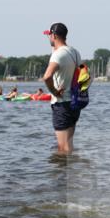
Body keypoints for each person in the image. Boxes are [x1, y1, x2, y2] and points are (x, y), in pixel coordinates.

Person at [41, 22, 83, 154]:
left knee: (62, 148)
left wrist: (54, 91)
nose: (48, 38)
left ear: (53, 35)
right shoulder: (75, 52)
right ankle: (70, 173)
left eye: (49, 35)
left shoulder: (58, 55)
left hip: (62, 104)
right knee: (69, 145)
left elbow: (47, 77)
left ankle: (61, 174)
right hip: (74, 103)